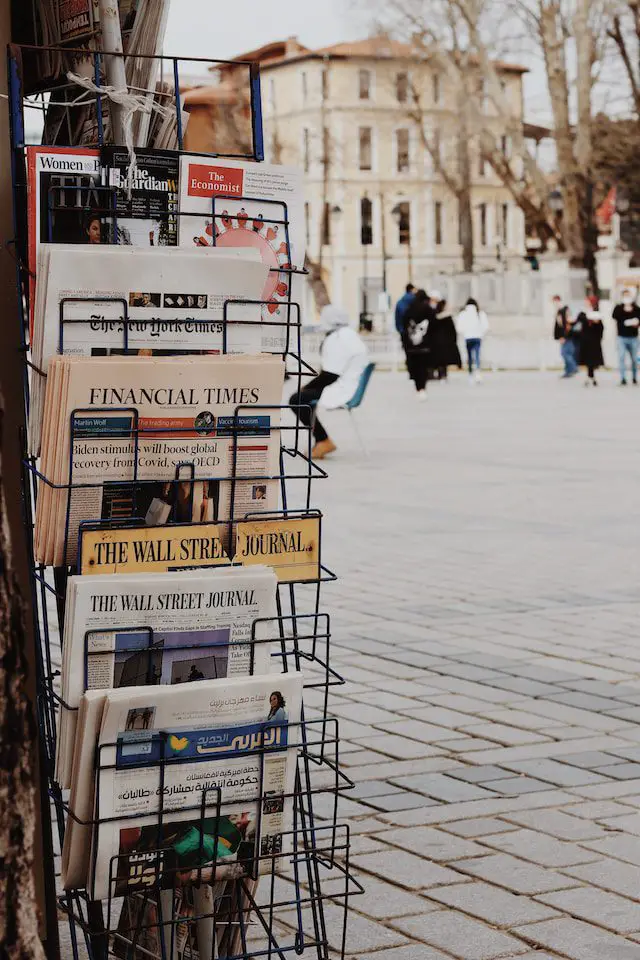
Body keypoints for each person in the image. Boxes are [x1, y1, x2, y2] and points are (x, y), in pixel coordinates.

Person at [289, 305, 368, 460]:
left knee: (297, 399)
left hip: (341, 388)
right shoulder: (350, 335)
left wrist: (307, 386)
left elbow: (330, 375)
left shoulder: (336, 338)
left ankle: (322, 440)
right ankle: (321, 440)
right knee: (303, 397)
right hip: (350, 385)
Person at [402, 289, 435, 400]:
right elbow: (434, 327)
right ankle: (423, 388)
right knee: (423, 367)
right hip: (425, 345)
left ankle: (418, 387)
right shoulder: (429, 310)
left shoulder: (408, 310)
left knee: (415, 367)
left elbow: (404, 328)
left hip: (411, 346)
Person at [429, 292, 461, 380]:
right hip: (445, 342)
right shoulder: (447, 317)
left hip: (436, 341)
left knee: (437, 359)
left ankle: (437, 373)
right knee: (443, 360)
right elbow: (452, 331)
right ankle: (442, 374)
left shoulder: (433, 316)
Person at [456, 298, 489, 382]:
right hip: (478, 337)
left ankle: (470, 373)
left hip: (468, 337)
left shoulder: (463, 313)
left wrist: (464, 333)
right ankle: (477, 371)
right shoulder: (480, 313)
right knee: (477, 355)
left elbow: (459, 327)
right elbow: (486, 326)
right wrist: (481, 333)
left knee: (470, 356)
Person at [613, 288, 640, 385]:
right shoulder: (618, 308)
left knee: (634, 358)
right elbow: (615, 316)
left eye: (628, 295)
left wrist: (636, 323)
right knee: (621, 357)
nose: (627, 297)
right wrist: (624, 309)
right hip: (621, 337)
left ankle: (634, 377)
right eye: (625, 295)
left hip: (633, 337)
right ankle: (623, 378)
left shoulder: (636, 308)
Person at [578, 309, 604, 386]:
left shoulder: (599, 324)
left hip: (595, 345)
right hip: (586, 345)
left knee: (592, 363)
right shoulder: (585, 321)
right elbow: (579, 319)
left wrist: (597, 322)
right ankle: (591, 378)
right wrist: (588, 318)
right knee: (589, 363)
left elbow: (600, 333)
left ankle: (590, 378)